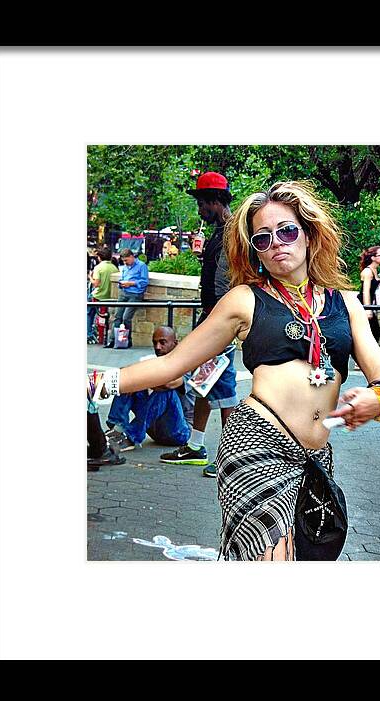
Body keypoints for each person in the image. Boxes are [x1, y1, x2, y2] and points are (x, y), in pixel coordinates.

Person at [95, 180, 380, 561]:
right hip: (256, 445)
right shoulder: (244, 300)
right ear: (254, 250)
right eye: (263, 239)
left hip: (316, 457)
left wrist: (379, 399)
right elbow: (173, 364)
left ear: (308, 234)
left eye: (287, 231)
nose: (277, 244)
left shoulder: (347, 303)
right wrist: (97, 382)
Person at [158, 171, 238, 478]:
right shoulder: (221, 231)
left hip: (221, 320)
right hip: (214, 318)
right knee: (205, 383)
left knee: (224, 388)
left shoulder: (231, 232)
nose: (199, 211)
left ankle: (231, 459)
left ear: (215, 202)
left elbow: (228, 281)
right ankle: (195, 445)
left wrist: (219, 321)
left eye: (202, 204)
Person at [105, 326, 195, 451]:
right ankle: (116, 429)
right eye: (155, 343)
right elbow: (123, 372)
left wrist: (138, 381)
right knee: (126, 381)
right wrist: (131, 380)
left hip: (180, 432)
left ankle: (132, 437)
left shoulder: (186, 365)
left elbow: (169, 383)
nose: (158, 347)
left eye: (163, 342)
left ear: (175, 344)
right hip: (155, 429)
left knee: (164, 391)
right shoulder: (155, 362)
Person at [104, 247, 149, 348]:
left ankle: (127, 341)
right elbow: (122, 278)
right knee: (117, 317)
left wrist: (131, 283)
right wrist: (121, 284)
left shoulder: (141, 266)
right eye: (123, 261)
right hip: (123, 292)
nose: (125, 262)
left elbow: (144, 282)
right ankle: (113, 341)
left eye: (126, 260)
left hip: (135, 294)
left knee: (126, 318)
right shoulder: (124, 267)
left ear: (132, 256)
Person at [87, 247, 119, 344]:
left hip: (97, 295)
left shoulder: (98, 268)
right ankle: (103, 336)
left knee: (89, 314)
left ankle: (88, 334)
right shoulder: (114, 268)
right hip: (108, 296)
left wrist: (89, 277)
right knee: (105, 317)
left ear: (100, 257)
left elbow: (96, 284)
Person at [357, 245, 380, 344]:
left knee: (374, 332)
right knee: (374, 332)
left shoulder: (375, 271)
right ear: (373, 258)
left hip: (369, 305)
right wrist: (368, 309)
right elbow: (366, 291)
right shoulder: (367, 272)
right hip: (363, 304)